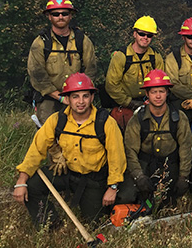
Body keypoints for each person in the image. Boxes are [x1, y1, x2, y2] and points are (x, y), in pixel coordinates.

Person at [13, 73, 126, 228]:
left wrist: (113, 187)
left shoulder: (105, 122)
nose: (80, 102)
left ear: (92, 97)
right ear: (67, 99)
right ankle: (50, 224)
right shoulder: (57, 120)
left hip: (93, 179)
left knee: (94, 223)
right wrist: (21, 180)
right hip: (66, 173)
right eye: (75, 96)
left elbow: (117, 157)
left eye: (85, 96)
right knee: (32, 185)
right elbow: (36, 150)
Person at [121, 69, 192, 205]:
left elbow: (185, 149)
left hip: (169, 164)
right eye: (154, 92)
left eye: (161, 91)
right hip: (144, 164)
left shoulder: (179, 118)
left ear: (167, 93)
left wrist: (184, 177)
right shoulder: (137, 119)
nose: (158, 96)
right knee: (127, 197)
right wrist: (138, 176)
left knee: (167, 202)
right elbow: (130, 151)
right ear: (147, 94)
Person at [27, 0, 97, 125]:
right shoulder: (41, 43)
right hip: (49, 97)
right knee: (48, 131)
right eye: (56, 14)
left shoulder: (82, 41)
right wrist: (59, 97)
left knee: (82, 129)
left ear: (70, 15)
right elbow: (37, 75)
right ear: (49, 16)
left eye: (65, 13)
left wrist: (80, 96)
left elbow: (91, 69)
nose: (60, 17)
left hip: (77, 97)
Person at [105, 16, 164, 130]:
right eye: (142, 34)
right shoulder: (121, 56)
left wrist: (154, 100)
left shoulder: (155, 56)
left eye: (149, 35)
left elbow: (162, 83)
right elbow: (111, 85)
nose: (145, 38)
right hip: (125, 106)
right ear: (135, 34)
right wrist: (129, 103)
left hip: (151, 104)